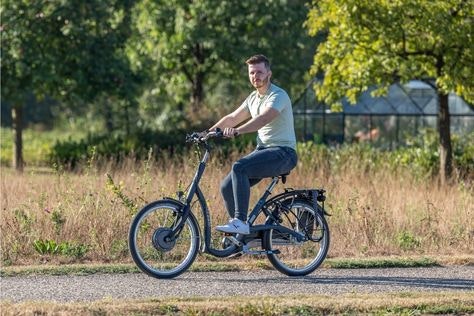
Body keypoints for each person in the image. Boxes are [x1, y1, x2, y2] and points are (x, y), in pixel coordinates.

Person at [208, 54, 298, 234]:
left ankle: (240, 222)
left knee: (239, 167)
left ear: (269, 73)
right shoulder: (252, 98)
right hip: (264, 150)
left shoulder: (278, 95)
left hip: (283, 153)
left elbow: (263, 118)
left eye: (259, 72)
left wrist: (238, 131)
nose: (255, 76)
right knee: (227, 187)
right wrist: (207, 133)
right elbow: (232, 118)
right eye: (251, 73)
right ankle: (242, 234)